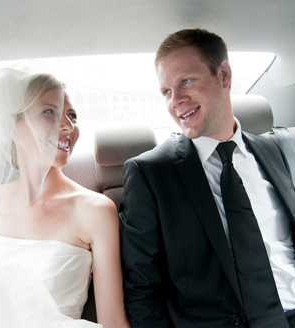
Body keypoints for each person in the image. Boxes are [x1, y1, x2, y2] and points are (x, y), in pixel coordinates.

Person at [119, 28, 295, 327]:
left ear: (223, 75)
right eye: (166, 91)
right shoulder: (150, 173)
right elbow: (142, 289)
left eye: (185, 81)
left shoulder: (279, 149)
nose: (175, 100)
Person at [0, 67, 130, 328]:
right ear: (12, 127)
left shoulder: (95, 210)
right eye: (49, 112)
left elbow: (113, 320)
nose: (67, 126)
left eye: (72, 115)